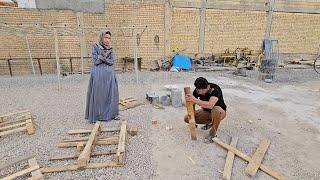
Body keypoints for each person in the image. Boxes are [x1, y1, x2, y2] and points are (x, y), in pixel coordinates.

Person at [85, 29, 119, 123]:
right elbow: (95, 61)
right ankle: (97, 115)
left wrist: (102, 57)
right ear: (101, 37)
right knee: (98, 94)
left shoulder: (111, 49)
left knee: (111, 94)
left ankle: (111, 114)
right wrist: (104, 59)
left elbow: (112, 62)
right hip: (98, 74)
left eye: (109, 38)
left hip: (110, 75)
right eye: (106, 37)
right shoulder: (95, 46)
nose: (107, 40)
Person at [184, 77, 227, 143]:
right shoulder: (197, 90)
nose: (201, 92)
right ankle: (209, 122)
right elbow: (192, 103)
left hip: (220, 112)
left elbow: (210, 105)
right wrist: (192, 119)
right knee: (187, 118)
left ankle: (212, 134)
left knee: (216, 109)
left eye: (203, 90)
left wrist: (195, 100)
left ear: (207, 86)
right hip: (206, 112)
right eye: (199, 90)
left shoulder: (215, 89)